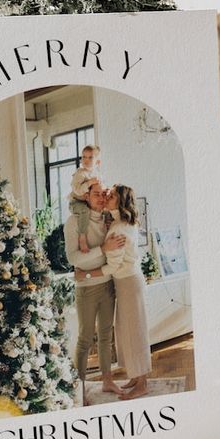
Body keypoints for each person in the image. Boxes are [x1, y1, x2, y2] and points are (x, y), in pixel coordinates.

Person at [64, 182, 126, 406]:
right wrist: (103, 250)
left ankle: (107, 380)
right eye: (96, 194)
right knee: (85, 338)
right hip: (86, 290)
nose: (100, 198)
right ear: (86, 196)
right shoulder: (74, 222)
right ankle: (79, 389)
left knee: (106, 336)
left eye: (103, 194)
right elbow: (73, 259)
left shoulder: (109, 220)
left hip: (108, 283)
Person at [69, 145, 102, 253]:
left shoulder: (95, 174)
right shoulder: (80, 173)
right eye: (84, 157)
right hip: (76, 202)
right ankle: (82, 237)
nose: (86, 160)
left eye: (90, 157)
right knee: (85, 211)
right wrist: (89, 183)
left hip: (87, 201)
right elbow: (77, 190)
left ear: (97, 162)